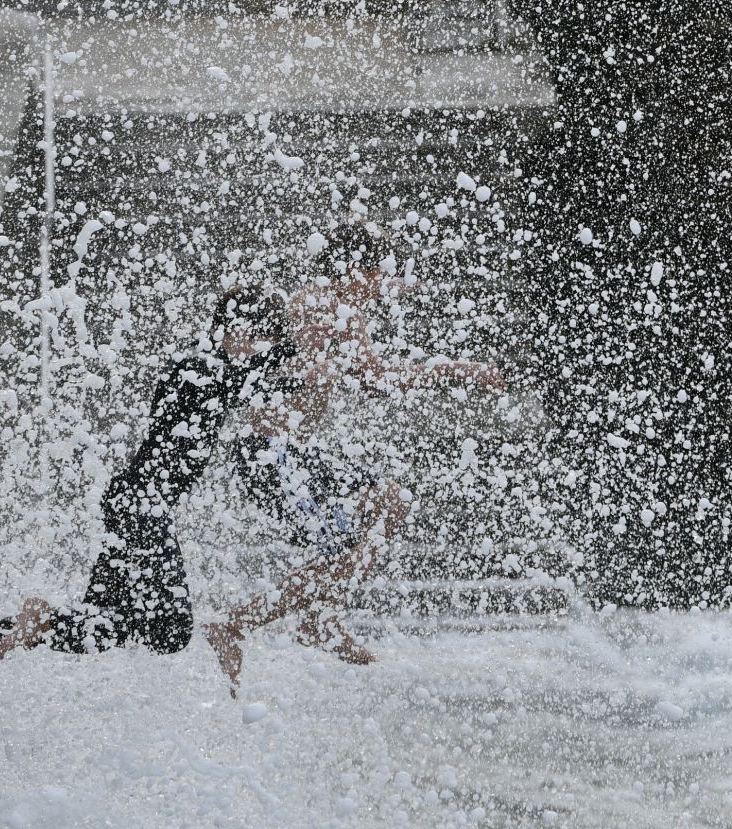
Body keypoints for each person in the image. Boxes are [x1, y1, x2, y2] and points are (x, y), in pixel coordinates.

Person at [0, 289, 295, 680]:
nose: (261, 350)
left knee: (100, 629)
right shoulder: (200, 367)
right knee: (170, 633)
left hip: (134, 504)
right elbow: (244, 381)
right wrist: (297, 349)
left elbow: (251, 384)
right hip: (142, 507)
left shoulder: (210, 366)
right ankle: (37, 618)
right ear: (239, 329)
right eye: (263, 339)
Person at [202, 226, 507, 686]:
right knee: (344, 553)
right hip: (271, 456)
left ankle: (321, 616)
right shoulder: (321, 304)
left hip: (295, 453)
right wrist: (460, 369)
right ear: (356, 271)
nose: (382, 285)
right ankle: (236, 624)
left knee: (391, 501)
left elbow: (363, 373)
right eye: (378, 274)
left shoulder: (331, 305)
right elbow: (374, 378)